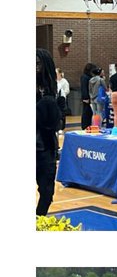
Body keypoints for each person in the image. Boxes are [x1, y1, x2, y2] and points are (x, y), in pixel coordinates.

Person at [36, 49, 60, 217]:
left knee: (47, 190)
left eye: (37, 63)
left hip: (46, 146)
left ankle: (38, 220)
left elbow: (56, 122)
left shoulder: (51, 89)